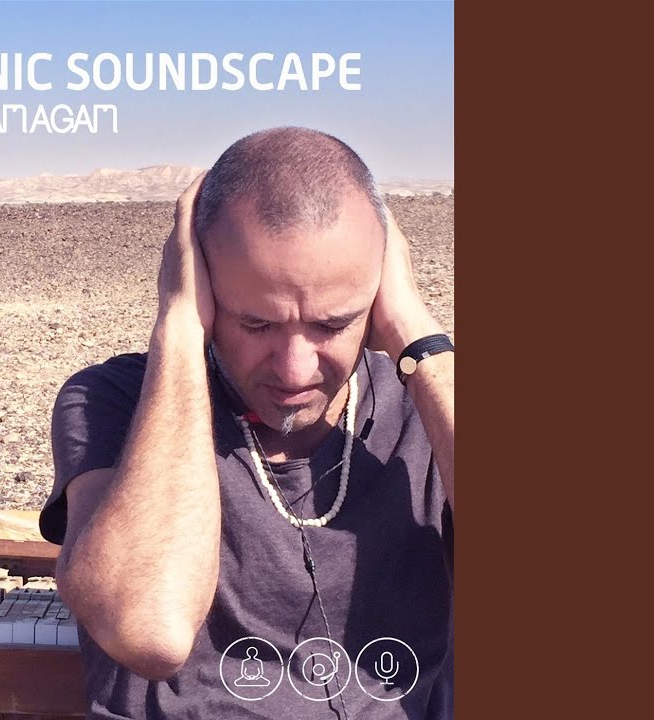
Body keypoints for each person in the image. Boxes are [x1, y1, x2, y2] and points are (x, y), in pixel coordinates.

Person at [40, 127, 454, 719]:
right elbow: (150, 631)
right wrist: (180, 329)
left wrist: (417, 335)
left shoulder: (428, 402)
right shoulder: (114, 401)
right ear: (206, 291)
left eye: (333, 324)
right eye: (256, 324)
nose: (295, 368)